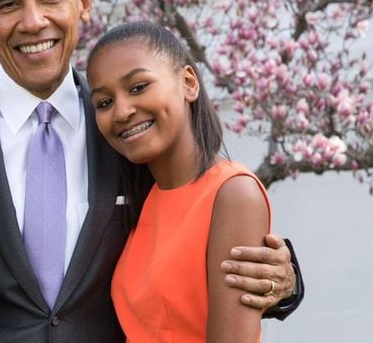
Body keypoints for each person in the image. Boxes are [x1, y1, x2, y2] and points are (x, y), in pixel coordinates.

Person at [0, 0, 303, 342]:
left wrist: (282, 282)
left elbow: (195, 215)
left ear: (83, 0)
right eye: (9, 4)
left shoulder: (129, 129)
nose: (33, 22)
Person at [86, 21, 270, 342]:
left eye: (138, 87)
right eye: (105, 102)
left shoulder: (233, 193)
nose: (122, 111)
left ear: (188, 82)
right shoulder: (144, 200)